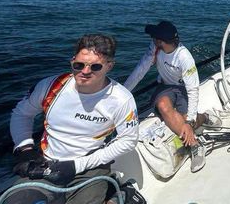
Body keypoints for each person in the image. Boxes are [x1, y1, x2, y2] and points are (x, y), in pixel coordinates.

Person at [7, 34, 138, 204]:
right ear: (72, 61)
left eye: (95, 67)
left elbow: (128, 140)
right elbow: (21, 113)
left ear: (109, 66)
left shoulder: (121, 99)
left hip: (90, 167)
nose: (85, 72)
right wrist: (24, 149)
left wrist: (78, 165)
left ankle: (115, 196)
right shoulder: (51, 86)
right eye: (79, 65)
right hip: (45, 164)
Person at [124, 21, 216, 173]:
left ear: (161, 41)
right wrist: (123, 93)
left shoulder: (184, 57)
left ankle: (204, 117)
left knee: (187, 122)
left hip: (184, 89)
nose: (152, 41)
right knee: (162, 106)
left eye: (154, 38)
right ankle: (195, 146)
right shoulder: (155, 48)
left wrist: (189, 120)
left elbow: (193, 89)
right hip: (165, 87)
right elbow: (140, 70)